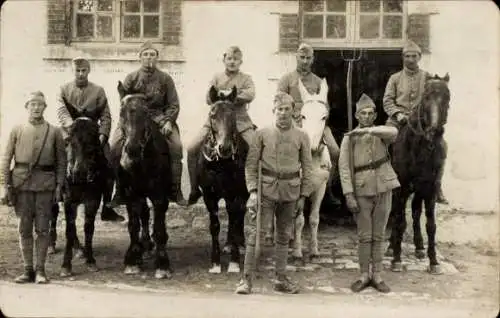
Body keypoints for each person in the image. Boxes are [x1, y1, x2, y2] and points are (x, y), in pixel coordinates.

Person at [235, 92, 313, 295]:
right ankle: (246, 280)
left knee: (284, 237)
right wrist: (252, 191)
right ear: (273, 111)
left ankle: (281, 278)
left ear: (293, 112)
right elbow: (251, 165)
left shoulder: (302, 136)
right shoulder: (262, 134)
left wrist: (303, 196)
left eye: (287, 109)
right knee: (255, 234)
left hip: (291, 192)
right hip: (265, 191)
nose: (283, 113)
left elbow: (308, 167)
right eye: (280, 109)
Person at [108, 41, 187, 207]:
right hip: (134, 120)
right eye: (145, 54)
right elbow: (124, 103)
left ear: (157, 57)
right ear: (140, 57)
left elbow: (173, 104)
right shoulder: (131, 78)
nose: (149, 57)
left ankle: (176, 190)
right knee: (114, 147)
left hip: (159, 118)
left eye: (152, 54)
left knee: (176, 147)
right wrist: (126, 122)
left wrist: (168, 121)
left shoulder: (165, 79)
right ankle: (119, 190)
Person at [0, 91, 66, 284]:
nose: (36, 108)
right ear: (27, 107)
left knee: (43, 229)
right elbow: (6, 159)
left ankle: (40, 270)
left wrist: (59, 185)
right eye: (33, 104)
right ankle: (27, 269)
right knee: (24, 229)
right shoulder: (17, 129)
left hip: (45, 186)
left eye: (40, 104)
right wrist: (5, 185)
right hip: (21, 185)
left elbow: (62, 161)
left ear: (45, 107)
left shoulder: (54, 132)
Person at [338, 94, 400, 293]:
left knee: (379, 235)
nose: (366, 116)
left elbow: (394, 132)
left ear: (374, 115)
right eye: (362, 113)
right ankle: (364, 274)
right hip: (362, 189)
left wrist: (369, 130)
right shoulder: (349, 138)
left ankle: (378, 275)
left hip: (384, 185)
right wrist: (349, 194)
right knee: (365, 236)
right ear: (356, 115)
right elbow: (344, 168)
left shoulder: (381, 133)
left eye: (370, 113)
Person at [186, 46, 256, 205]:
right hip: (217, 119)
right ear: (224, 60)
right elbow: (208, 96)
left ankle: (255, 189)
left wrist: (230, 96)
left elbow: (251, 93)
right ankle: (194, 189)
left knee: (255, 148)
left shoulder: (246, 78)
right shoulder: (217, 77)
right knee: (191, 147)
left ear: (241, 62)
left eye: (236, 59)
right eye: (229, 59)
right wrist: (223, 96)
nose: (232, 62)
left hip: (240, 120)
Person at [56, 57, 124, 221]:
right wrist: (74, 128)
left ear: (88, 71)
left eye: (83, 70)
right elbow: (61, 111)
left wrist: (102, 135)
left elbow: (106, 115)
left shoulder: (98, 91)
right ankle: (57, 194)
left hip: (92, 134)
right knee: (56, 157)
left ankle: (107, 206)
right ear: (73, 71)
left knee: (110, 161)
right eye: (77, 71)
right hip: (71, 132)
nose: (80, 74)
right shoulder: (64, 89)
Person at [383, 40, 448, 204]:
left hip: (420, 121)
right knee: (384, 140)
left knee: (442, 145)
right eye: (407, 56)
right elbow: (387, 101)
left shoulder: (427, 77)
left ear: (419, 57)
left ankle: (437, 185)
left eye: (413, 56)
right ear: (402, 58)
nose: (410, 59)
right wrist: (397, 114)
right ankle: (386, 178)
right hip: (398, 120)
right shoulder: (395, 78)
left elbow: (433, 100)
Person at [277, 42, 341, 205]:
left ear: (313, 59)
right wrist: (294, 116)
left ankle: (328, 188)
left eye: (308, 58)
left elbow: (325, 105)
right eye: (302, 58)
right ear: (297, 58)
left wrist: (320, 118)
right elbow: (278, 101)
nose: (305, 61)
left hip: (315, 123)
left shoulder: (319, 81)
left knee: (334, 150)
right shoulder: (287, 79)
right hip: (292, 122)